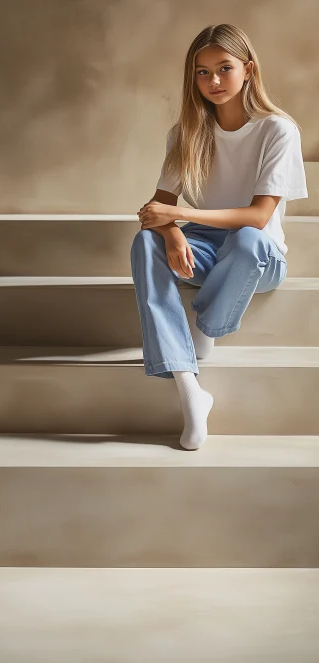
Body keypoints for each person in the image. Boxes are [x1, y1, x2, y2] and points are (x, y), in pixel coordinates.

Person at [130, 23, 308, 451]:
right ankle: (190, 389)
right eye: (201, 72)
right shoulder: (185, 134)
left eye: (223, 69)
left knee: (249, 239)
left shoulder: (277, 130)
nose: (212, 81)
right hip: (203, 247)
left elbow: (260, 215)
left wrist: (178, 214)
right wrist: (172, 231)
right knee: (145, 242)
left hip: (258, 253)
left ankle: (207, 324)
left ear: (247, 70)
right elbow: (156, 209)